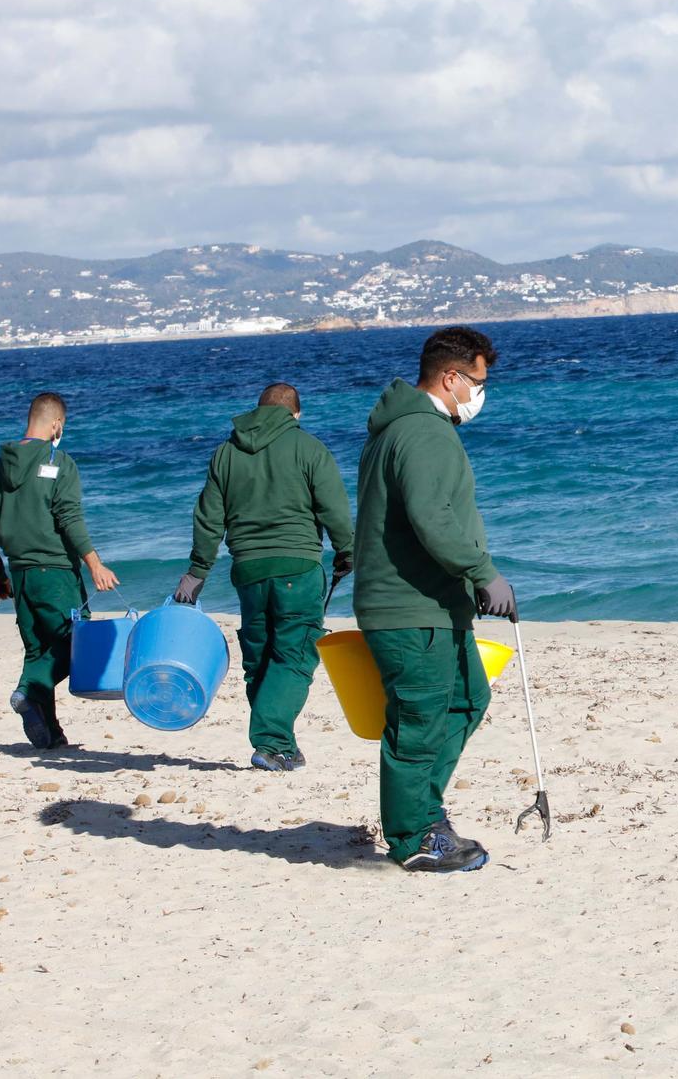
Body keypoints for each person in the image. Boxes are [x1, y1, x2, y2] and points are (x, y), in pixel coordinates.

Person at [353, 326, 517, 873]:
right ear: (451, 378)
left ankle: (424, 809)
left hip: (434, 603)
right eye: (477, 382)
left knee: (468, 698)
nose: (481, 394)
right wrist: (484, 573)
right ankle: (414, 834)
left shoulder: (405, 430)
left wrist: (471, 583)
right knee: (419, 721)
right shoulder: (422, 432)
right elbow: (432, 518)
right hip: (410, 606)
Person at [172, 382, 353, 772]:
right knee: (295, 654)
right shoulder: (309, 448)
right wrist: (348, 551)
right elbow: (334, 508)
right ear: (296, 414)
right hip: (298, 567)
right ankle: (270, 742)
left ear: (258, 411)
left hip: (248, 570)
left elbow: (208, 518)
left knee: (259, 657)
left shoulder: (226, 453)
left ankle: (281, 744)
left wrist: (197, 571)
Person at [0, 391, 121, 749]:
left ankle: (50, 733)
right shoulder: (60, 462)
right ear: (56, 424)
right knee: (75, 647)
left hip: (22, 576)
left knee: (38, 651)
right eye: (63, 425)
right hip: (55, 572)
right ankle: (27, 692)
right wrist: (94, 563)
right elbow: (69, 517)